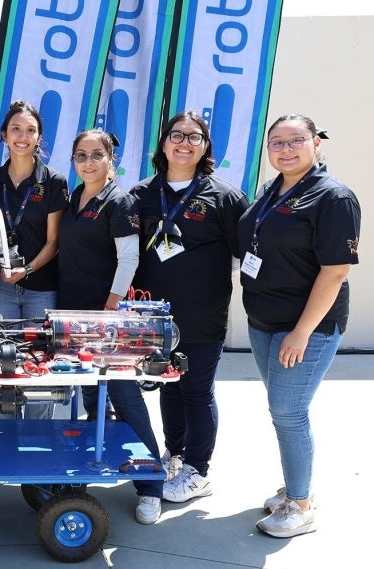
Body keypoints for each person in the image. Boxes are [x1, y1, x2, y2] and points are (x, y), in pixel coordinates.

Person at [237, 113, 360, 538]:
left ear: (316, 143)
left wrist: (302, 332)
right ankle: (294, 486)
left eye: (296, 141)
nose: (285, 149)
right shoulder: (274, 191)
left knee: (289, 413)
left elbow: (335, 271)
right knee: (283, 410)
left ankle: (301, 504)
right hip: (263, 321)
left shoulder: (333, 197)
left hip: (305, 327)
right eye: (277, 142)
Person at [130, 111, 249, 505]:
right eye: (176, 135)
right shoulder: (143, 193)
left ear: (205, 147)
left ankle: (199, 469)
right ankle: (175, 454)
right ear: (163, 143)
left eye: (194, 137)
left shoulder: (225, 197)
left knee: (196, 391)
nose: (184, 142)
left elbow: (244, 254)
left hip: (201, 315)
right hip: (154, 318)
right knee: (169, 386)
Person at [57, 128, 163, 525]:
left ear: (110, 160)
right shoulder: (75, 199)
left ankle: (151, 484)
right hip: (74, 315)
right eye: (81, 155)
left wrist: (112, 308)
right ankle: (91, 469)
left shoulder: (119, 201)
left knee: (124, 396)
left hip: (105, 320)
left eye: (96, 155)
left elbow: (129, 258)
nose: (88, 162)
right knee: (90, 398)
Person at [0, 100, 69, 419]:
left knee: (38, 363)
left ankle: (36, 442)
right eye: (16, 129)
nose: (22, 135)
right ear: (4, 134)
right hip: (1, 285)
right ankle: (5, 440)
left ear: (38, 138)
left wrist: (27, 269)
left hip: (41, 286)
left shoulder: (54, 182)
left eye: (30, 130)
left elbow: (54, 241)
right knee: (2, 362)